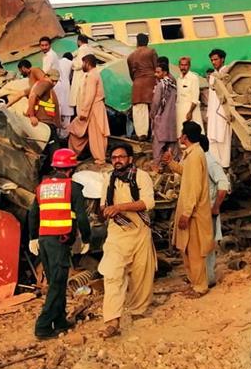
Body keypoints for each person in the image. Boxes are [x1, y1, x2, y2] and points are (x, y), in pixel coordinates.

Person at [28, 149, 91, 339]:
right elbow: (81, 217)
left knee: (58, 282)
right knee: (56, 284)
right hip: (59, 242)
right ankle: (43, 326)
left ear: (55, 167)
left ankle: (60, 321)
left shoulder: (42, 187)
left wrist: (33, 238)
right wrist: (86, 239)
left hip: (45, 241)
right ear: (71, 169)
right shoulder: (74, 188)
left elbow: (33, 214)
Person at [99, 142, 158, 339]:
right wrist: (107, 211)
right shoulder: (108, 179)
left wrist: (120, 207)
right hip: (117, 232)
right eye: (114, 158)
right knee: (112, 273)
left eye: (121, 157)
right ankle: (112, 321)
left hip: (140, 231)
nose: (117, 161)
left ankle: (137, 310)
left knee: (141, 274)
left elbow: (148, 203)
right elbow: (103, 204)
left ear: (130, 159)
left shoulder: (141, 177)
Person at [164, 121, 215, 297]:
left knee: (194, 252)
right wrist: (171, 163)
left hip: (193, 213)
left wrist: (186, 213)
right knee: (186, 250)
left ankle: (200, 286)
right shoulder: (193, 154)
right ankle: (194, 283)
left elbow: (194, 187)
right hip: (190, 210)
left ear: (185, 137)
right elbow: (185, 173)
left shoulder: (195, 155)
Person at [198, 137, 230, 289]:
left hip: (208, 211)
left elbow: (223, 185)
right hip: (200, 211)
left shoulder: (210, 163)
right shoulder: (199, 161)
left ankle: (208, 279)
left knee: (208, 246)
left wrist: (216, 206)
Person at [68, 54, 110, 165]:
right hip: (94, 108)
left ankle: (100, 159)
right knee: (79, 132)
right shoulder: (94, 74)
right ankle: (73, 155)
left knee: (96, 134)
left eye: (83, 63)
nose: (82, 65)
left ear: (87, 63)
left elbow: (90, 96)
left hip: (93, 109)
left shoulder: (92, 76)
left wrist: (84, 112)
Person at [126, 33, 158, 140]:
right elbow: (156, 68)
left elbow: (131, 74)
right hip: (151, 81)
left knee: (139, 111)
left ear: (137, 42)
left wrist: (137, 80)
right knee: (154, 108)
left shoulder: (131, 56)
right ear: (147, 42)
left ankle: (141, 134)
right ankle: (154, 133)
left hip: (137, 84)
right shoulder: (151, 52)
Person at [205, 49, 232, 168]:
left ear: (222, 59)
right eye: (212, 60)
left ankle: (225, 167)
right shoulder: (212, 76)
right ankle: (215, 167)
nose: (213, 62)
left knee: (224, 140)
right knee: (212, 139)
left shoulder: (227, 74)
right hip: (213, 115)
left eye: (215, 59)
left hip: (223, 113)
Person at [15, 60, 60, 129]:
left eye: (56, 81)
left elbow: (30, 96)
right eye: (52, 80)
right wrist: (31, 115)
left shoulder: (43, 84)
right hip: (44, 120)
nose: (54, 83)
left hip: (46, 120)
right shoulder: (43, 84)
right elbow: (31, 96)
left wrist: (30, 114)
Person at [150, 58, 178, 162]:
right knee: (172, 144)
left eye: (158, 72)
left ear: (164, 72)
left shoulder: (160, 85)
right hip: (172, 118)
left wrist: (152, 114)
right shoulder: (173, 83)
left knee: (158, 144)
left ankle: (157, 165)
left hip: (161, 118)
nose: (155, 74)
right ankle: (174, 167)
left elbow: (156, 102)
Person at [175, 56, 200, 137]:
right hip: (179, 111)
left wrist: (190, 112)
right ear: (179, 66)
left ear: (189, 66)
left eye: (185, 65)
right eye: (181, 65)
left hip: (190, 112)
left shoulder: (193, 78)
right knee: (180, 135)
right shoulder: (178, 78)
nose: (183, 67)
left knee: (191, 136)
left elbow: (195, 98)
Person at [70, 35, 94, 110]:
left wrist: (71, 62)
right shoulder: (90, 49)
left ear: (79, 41)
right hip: (88, 76)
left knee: (79, 101)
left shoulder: (81, 49)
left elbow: (79, 65)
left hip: (80, 76)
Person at [56, 52, 74, 137]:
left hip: (57, 85)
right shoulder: (71, 63)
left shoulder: (58, 61)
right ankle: (64, 135)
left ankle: (57, 133)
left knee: (58, 106)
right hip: (66, 86)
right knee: (66, 109)